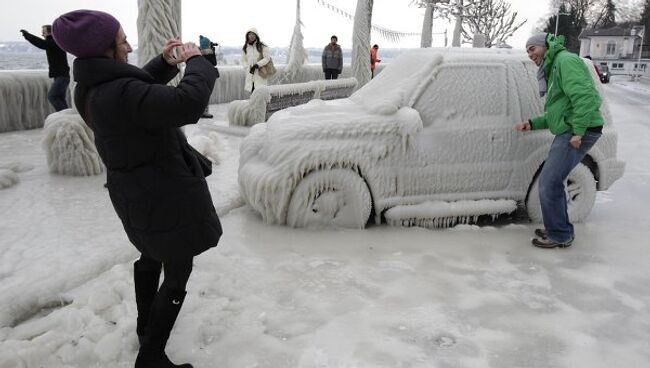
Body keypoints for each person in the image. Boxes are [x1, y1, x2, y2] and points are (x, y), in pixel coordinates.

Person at [52, 9, 222, 368]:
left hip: (135, 194)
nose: (129, 47)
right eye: (122, 41)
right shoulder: (118, 93)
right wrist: (198, 62)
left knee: (150, 253)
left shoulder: (89, 87)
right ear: (105, 50)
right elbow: (186, 103)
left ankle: (147, 328)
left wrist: (164, 63)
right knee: (178, 268)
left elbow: (134, 88)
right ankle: (151, 356)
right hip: (163, 194)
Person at [515, 33, 604, 249]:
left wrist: (579, 132)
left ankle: (560, 234)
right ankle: (559, 229)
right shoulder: (555, 66)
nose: (530, 55)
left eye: (532, 49)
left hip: (577, 130)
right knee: (553, 181)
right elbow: (560, 112)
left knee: (549, 182)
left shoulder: (565, 61)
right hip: (571, 128)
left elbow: (586, 97)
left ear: (545, 46)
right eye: (527, 51)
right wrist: (532, 123)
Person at [20, 25, 70, 111]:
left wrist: (28, 36)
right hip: (60, 75)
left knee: (52, 96)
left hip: (62, 76)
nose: (42, 34)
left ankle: (65, 116)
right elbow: (43, 44)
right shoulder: (54, 42)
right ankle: (65, 116)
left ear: (50, 32)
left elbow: (42, 44)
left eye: (44, 32)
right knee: (60, 98)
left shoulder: (54, 42)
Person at [241, 28, 270, 93]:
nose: (251, 36)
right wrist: (247, 68)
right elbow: (243, 60)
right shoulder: (245, 47)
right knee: (252, 92)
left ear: (256, 35)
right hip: (250, 73)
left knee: (260, 93)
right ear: (247, 36)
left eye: (253, 34)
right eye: (250, 34)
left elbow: (267, 58)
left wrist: (257, 65)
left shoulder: (262, 46)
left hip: (260, 73)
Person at [199, 35, 220, 118]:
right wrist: (212, 51)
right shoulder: (208, 53)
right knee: (206, 95)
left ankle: (200, 111)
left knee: (201, 94)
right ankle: (204, 112)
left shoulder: (199, 52)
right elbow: (214, 63)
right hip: (207, 76)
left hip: (201, 75)